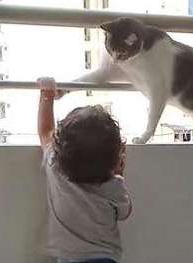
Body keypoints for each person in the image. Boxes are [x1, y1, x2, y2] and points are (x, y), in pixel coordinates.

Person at [37, 77, 132, 263]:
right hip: (104, 258)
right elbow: (125, 213)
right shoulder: (114, 184)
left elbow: (45, 131)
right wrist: (119, 174)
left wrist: (47, 93)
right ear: (114, 157)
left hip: (68, 258)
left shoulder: (54, 166)